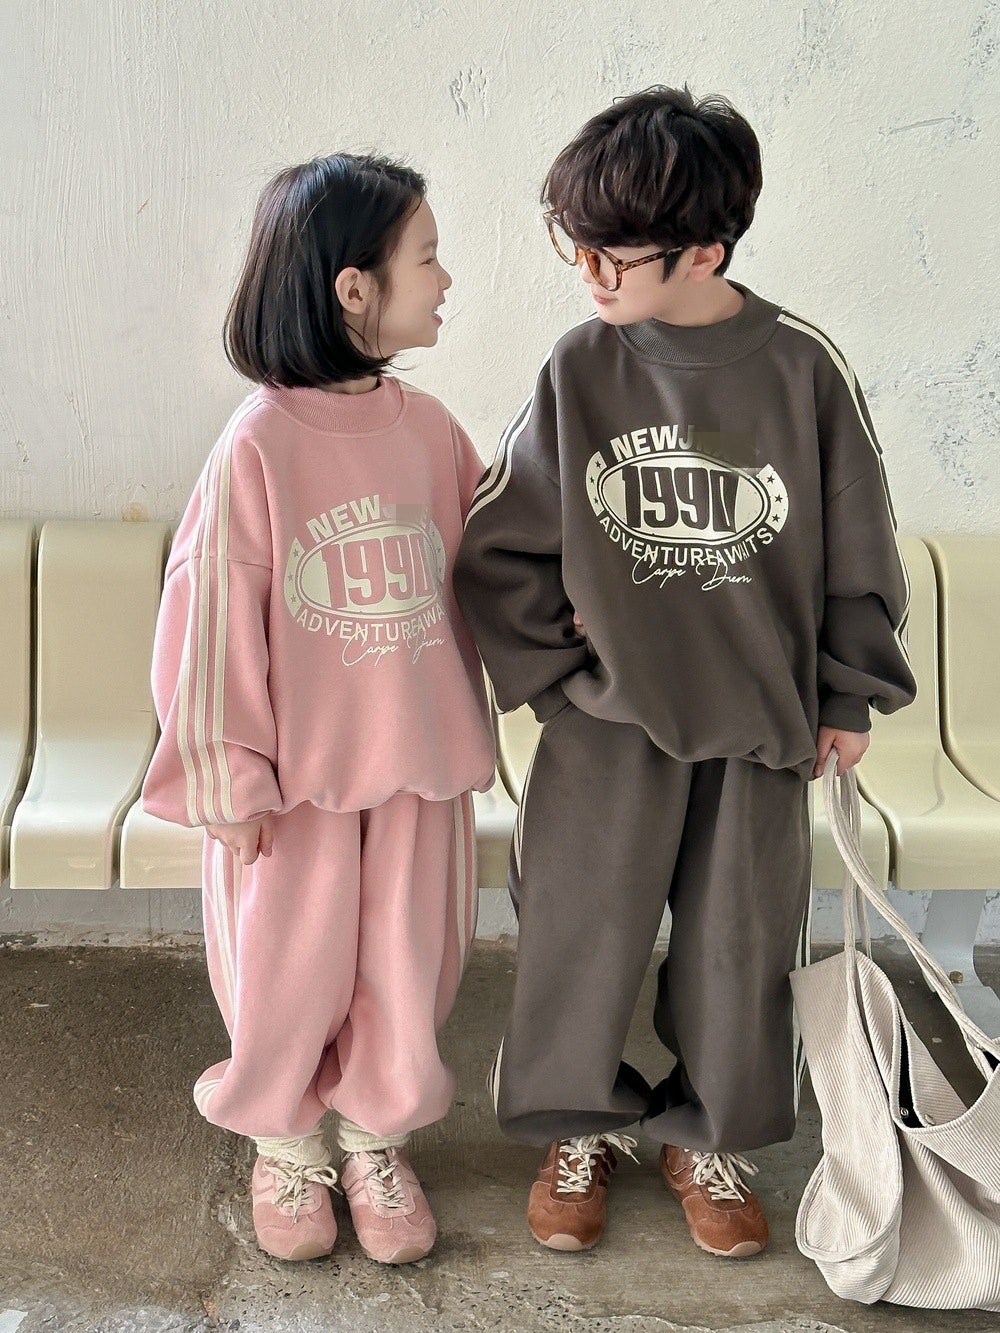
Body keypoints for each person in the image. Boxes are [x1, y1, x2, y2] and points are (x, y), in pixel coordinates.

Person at [454, 86, 916, 1258]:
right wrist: (561, 683)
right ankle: (576, 1126)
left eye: (615, 254)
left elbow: (859, 542)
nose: (589, 273)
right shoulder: (579, 368)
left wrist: (846, 692)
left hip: (760, 725)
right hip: (608, 728)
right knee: (576, 936)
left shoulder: (801, 369)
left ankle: (707, 1135)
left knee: (738, 947)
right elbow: (500, 541)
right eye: (574, 244)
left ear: (705, 250)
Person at [141, 153, 496, 1265]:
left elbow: (494, 568)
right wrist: (226, 774)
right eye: (427, 258)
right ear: (354, 288)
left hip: (419, 765)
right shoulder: (258, 443)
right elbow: (208, 620)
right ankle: (288, 1142)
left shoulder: (430, 430)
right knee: (286, 974)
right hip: (291, 788)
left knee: (410, 966)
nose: (446, 279)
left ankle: (377, 1140)